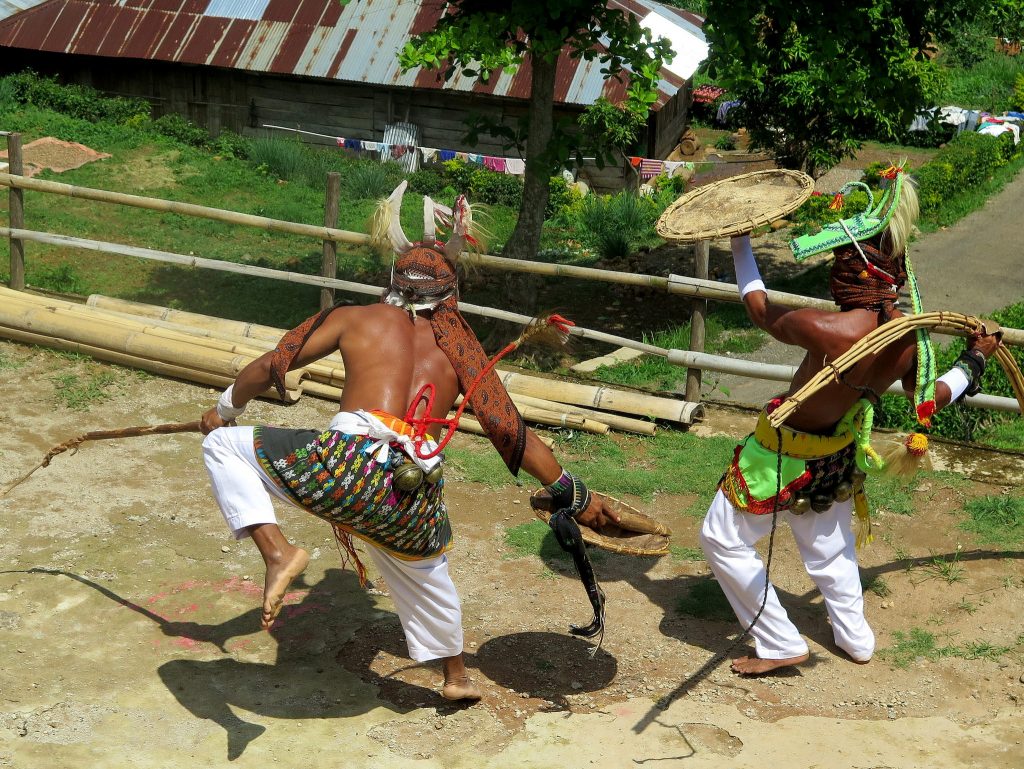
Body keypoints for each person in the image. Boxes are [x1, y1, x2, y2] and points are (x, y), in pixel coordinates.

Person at [200, 183, 617, 701]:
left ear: (391, 283)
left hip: (345, 468)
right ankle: (456, 677)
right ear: (451, 292)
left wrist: (223, 411)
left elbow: (271, 365)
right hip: (410, 489)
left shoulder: (356, 318)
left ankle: (278, 553)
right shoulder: (461, 347)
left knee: (223, 446)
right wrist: (573, 492)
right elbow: (510, 431)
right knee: (428, 574)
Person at [698, 169, 1003, 675]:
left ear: (855, 269)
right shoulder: (909, 343)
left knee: (720, 538)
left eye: (840, 261)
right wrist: (976, 358)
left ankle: (778, 643)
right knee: (831, 554)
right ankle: (857, 640)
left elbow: (758, 307)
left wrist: (740, 241)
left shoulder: (826, 327)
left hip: (780, 456)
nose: (834, 272)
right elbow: (933, 398)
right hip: (835, 458)